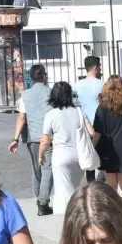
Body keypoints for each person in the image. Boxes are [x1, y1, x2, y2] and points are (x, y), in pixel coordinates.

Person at [9, 64, 54, 216]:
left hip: (31, 138)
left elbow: (22, 117)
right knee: (47, 169)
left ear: (31, 78)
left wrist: (15, 138)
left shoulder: (25, 95)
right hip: (47, 137)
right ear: (45, 76)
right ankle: (43, 203)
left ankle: (38, 197)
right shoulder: (51, 93)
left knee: (37, 169)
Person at [91, 75, 122, 208]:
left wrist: (91, 148)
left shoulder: (102, 108)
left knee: (112, 185)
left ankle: (114, 214)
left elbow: (97, 133)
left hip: (109, 151)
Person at [38, 81, 84, 215]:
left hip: (61, 157)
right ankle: (78, 214)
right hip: (79, 156)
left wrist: (41, 155)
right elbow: (92, 132)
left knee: (62, 193)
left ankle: (65, 220)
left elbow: (45, 141)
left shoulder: (51, 115)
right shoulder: (79, 112)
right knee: (75, 188)